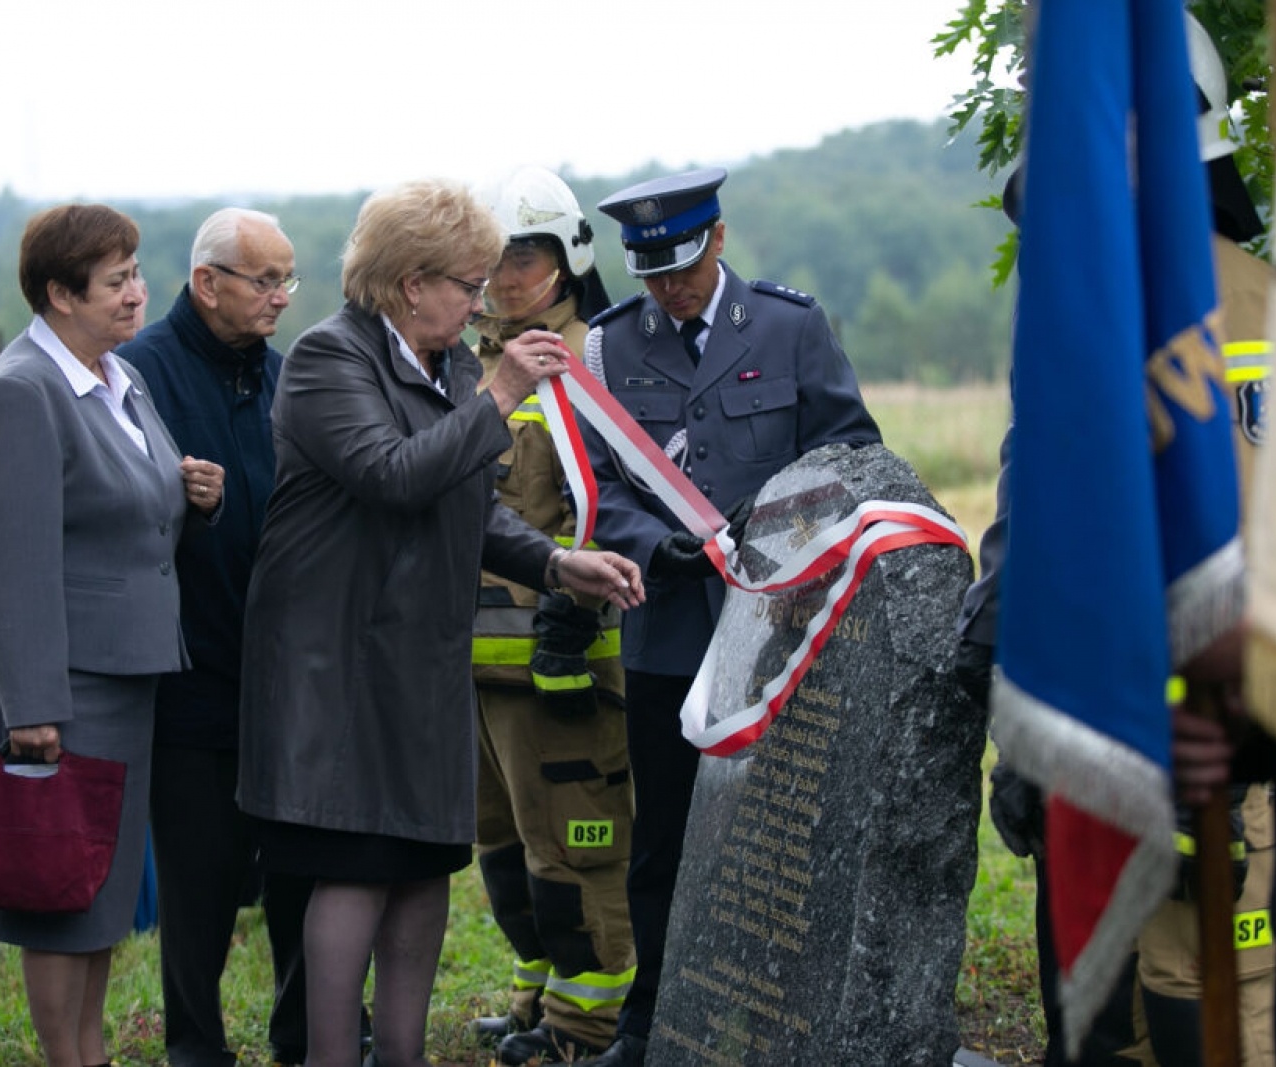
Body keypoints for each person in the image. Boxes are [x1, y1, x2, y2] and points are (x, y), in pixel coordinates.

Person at [235, 178, 645, 1067]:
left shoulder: (451, 364)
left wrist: (553, 561)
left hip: (421, 654)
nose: (479, 300)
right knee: (356, 865)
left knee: (425, 865)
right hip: (336, 664)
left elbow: (468, 501)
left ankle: (405, 1057)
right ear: (410, 282)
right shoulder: (328, 360)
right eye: (466, 283)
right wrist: (497, 392)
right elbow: (396, 473)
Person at [958, 16, 1276, 1065]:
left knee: (1216, 1016)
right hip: (1097, 752)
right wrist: (1024, 721)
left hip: (1232, 758)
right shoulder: (1087, 323)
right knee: (1106, 1028)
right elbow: (1035, 523)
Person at [575, 167, 882, 1067]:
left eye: (681, 268)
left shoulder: (791, 327)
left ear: (718, 239)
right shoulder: (608, 347)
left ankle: (791, 1013)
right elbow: (592, 478)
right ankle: (655, 1018)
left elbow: (853, 452)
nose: (667, 291)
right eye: (651, 275)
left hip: (780, 633)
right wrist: (644, 543)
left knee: (786, 835)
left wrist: (784, 524)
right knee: (662, 837)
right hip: (668, 630)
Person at [0, 203, 224, 1067]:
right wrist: (32, 709)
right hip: (57, 679)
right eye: (117, 282)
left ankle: (91, 1051)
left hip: (123, 668)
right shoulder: (22, 391)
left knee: (97, 890)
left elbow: (133, 506)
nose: (140, 294)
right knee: (54, 889)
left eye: (139, 274)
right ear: (60, 294)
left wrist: (193, 494)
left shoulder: (115, 375)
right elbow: (12, 558)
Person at [119, 207, 364, 1066]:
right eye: (264, 281)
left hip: (291, 675)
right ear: (206, 283)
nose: (281, 298)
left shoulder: (287, 376)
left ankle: (304, 1036)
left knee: (301, 865)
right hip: (191, 668)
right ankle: (196, 1045)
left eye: (289, 279)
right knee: (200, 878)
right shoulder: (138, 375)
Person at [457, 166, 636, 1066]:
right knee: (504, 847)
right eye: (489, 261)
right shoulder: (471, 365)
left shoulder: (595, 361)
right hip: (476, 673)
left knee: (577, 848)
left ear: (567, 261)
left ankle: (585, 1026)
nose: (502, 277)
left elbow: (613, 505)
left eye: (522, 258)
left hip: (561, 668)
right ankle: (535, 997)